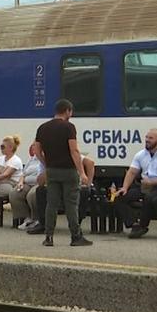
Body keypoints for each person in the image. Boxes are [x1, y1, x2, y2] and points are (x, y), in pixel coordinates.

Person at [34, 99, 92, 247]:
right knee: (71, 204)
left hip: (52, 171)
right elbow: (74, 150)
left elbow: (37, 150)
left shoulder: (43, 128)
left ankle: (49, 237)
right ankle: (75, 236)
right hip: (68, 171)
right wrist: (82, 172)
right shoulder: (69, 127)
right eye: (70, 112)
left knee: (51, 204)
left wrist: (46, 163)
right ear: (67, 111)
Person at [114, 128, 157, 239]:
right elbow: (132, 172)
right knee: (119, 197)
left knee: (149, 198)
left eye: (150, 138)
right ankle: (134, 224)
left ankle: (143, 226)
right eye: (146, 137)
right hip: (145, 186)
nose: (147, 140)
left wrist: (152, 182)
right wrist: (124, 188)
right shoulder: (140, 155)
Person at [10, 141, 43, 230]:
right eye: (32, 146)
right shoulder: (31, 159)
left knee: (31, 195)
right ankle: (26, 218)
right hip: (27, 183)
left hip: (39, 183)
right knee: (15, 193)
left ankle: (36, 219)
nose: (32, 148)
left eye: (34, 146)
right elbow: (23, 174)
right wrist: (20, 182)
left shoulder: (45, 158)